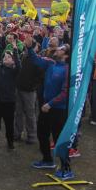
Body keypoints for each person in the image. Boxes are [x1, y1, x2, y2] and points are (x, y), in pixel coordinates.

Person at [25, 36, 73, 180]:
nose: (57, 49)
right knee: (42, 133)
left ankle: (66, 167)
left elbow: (65, 92)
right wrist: (29, 47)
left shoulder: (67, 70)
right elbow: (36, 60)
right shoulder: (51, 63)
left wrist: (50, 103)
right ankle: (47, 160)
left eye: (61, 49)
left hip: (58, 109)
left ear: (65, 55)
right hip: (45, 107)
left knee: (59, 137)